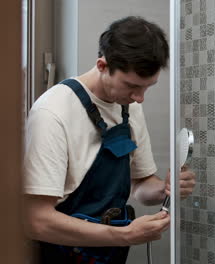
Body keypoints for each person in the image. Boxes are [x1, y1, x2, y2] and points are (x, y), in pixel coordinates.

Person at [22, 16, 195, 264]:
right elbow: (36, 220)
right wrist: (124, 235)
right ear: (102, 65)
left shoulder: (129, 105)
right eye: (132, 86)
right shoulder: (52, 113)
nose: (140, 97)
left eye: (148, 87)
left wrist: (165, 189)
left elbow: (141, 185)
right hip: (58, 255)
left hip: (107, 254)